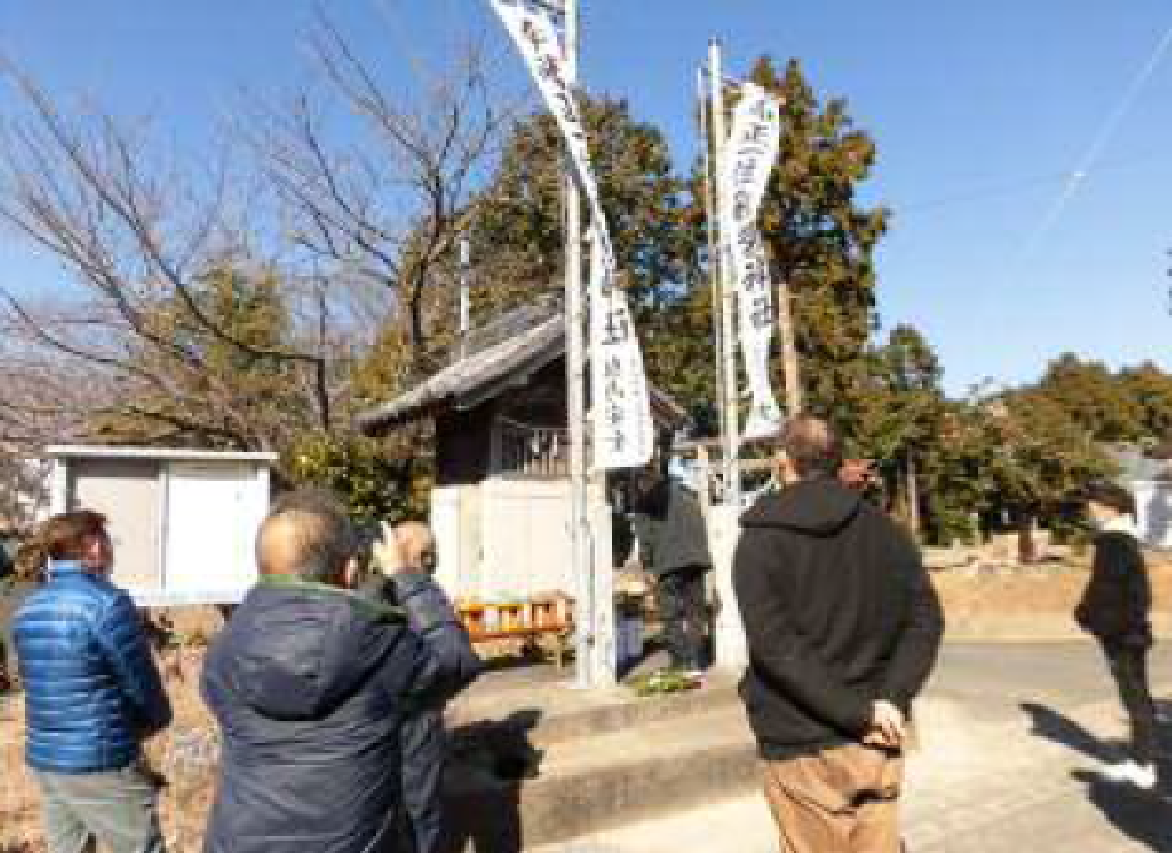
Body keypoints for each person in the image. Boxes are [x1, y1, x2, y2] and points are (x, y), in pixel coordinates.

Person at [201, 491, 478, 853]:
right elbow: (455, 662)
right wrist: (408, 578)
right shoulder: (378, 640)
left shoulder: (224, 648)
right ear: (349, 570)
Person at [734, 416, 944, 853]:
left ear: (781, 462)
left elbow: (776, 647)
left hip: (801, 739)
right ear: (838, 462)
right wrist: (892, 698)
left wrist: (858, 711)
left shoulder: (759, 542)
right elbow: (925, 619)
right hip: (878, 733)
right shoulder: (885, 531)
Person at [13, 510, 172, 853]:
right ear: (93, 546)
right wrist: (153, 724)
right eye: (107, 539)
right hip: (101, 758)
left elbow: (37, 685)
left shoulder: (28, 609)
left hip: (48, 760)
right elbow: (140, 684)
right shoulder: (107, 604)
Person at [389, 521, 482, 853]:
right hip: (414, 726)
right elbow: (458, 661)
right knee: (419, 817)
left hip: (402, 726)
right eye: (429, 554)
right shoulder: (414, 592)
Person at [1075, 481, 1158, 790]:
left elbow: (1103, 590)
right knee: (1137, 696)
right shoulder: (1125, 540)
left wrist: (1085, 615)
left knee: (1134, 696)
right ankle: (1141, 759)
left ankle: (1143, 765)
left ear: (1108, 508)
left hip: (1122, 634)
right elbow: (1137, 594)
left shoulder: (1113, 541)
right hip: (1129, 631)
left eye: (1092, 505)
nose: (1088, 511)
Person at [629, 461, 713, 676]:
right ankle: (695, 662)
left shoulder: (644, 503)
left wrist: (647, 566)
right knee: (696, 611)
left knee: (671, 615)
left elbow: (645, 538)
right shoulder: (687, 496)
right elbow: (701, 525)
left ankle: (680, 662)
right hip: (697, 560)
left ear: (640, 483)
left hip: (668, 564)